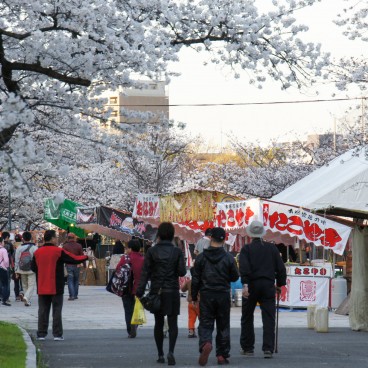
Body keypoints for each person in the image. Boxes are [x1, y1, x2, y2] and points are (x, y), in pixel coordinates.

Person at [136, 222, 186, 366]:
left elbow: (145, 273)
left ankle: (160, 354)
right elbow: (182, 272)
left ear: (159, 234)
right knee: (173, 323)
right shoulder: (177, 252)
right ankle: (171, 351)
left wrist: (139, 291)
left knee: (158, 323)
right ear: (171, 235)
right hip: (172, 291)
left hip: (156, 292)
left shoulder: (152, 251)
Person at [239, 220, 287, 359]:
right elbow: (281, 269)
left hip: (252, 285)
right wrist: (279, 284)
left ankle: (248, 347)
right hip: (267, 286)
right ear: (262, 234)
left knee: (247, 317)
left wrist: (245, 284)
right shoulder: (272, 248)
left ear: (250, 234)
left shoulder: (246, 249)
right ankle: (268, 348)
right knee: (269, 317)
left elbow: (244, 268)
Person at [191, 227, 239, 366]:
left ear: (210, 238)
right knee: (223, 326)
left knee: (206, 323)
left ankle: (206, 343)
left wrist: (194, 297)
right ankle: (221, 356)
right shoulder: (229, 258)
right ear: (224, 240)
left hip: (206, 294)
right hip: (223, 294)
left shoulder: (200, 258)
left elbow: (195, 279)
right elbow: (235, 276)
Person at [31, 230, 88, 341]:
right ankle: (57, 334)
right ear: (52, 239)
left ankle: (41, 334)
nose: (57, 239)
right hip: (56, 285)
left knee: (42, 310)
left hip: (42, 285)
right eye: (56, 237)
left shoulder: (37, 252)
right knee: (57, 310)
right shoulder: (58, 251)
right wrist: (86, 257)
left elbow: (33, 267)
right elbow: (74, 259)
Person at [116, 239, 144, 338]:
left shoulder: (125, 258)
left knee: (128, 309)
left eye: (127, 248)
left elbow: (118, 269)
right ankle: (135, 325)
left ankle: (130, 329)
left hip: (126, 288)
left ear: (130, 249)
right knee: (136, 308)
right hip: (139, 288)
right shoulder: (143, 259)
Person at [14, 231, 37, 306]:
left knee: (24, 285)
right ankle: (26, 297)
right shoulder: (34, 247)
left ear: (23, 238)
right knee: (31, 285)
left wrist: (16, 271)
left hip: (21, 269)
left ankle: (27, 300)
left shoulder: (19, 248)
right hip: (31, 269)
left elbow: (17, 260)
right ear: (30, 238)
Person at [63, 233, 85, 301]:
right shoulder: (79, 245)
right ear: (74, 238)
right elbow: (82, 255)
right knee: (76, 280)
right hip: (77, 265)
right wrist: (84, 265)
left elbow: (63, 256)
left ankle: (71, 295)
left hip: (69, 265)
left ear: (68, 238)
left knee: (70, 280)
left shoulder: (65, 246)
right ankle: (75, 295)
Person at [180, 267, 200, 338]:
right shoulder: (201, 281)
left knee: (191, 318)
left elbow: (182, 289)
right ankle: (202, 330)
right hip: (199, 303)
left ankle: (191, 332)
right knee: (203, 318)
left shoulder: (189, 282)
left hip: (190, 303)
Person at [0, 236, 11, 306]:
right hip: (2, 268)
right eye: (3, 241)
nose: (4, 243)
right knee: (5, 284)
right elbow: (6, 261)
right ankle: (5, 299)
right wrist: (6, 267)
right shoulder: (3, 250)